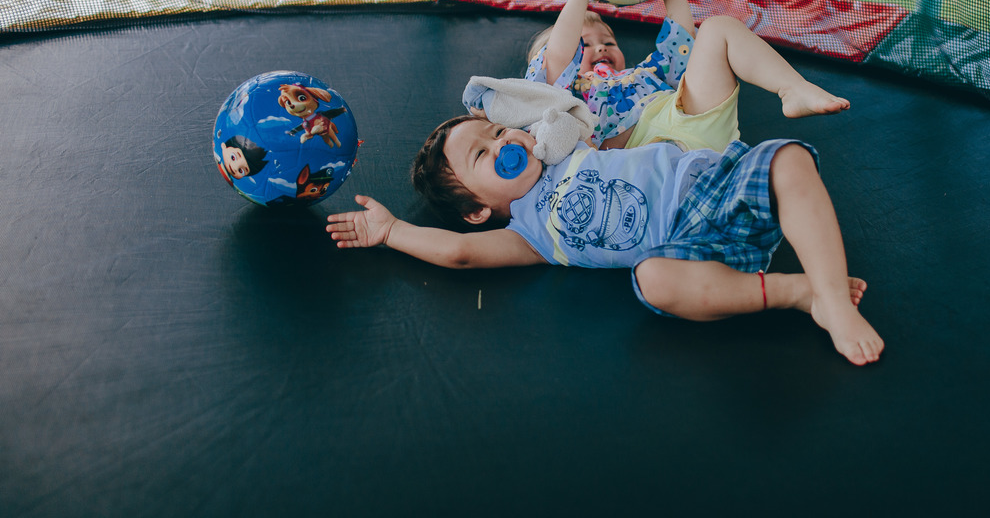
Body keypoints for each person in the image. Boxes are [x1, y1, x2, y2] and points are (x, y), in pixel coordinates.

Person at [325, 114, 884, 366]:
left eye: (496, 132)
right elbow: (459, 253)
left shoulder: (563, 146)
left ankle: (832, 297)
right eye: (483, 155)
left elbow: (546, 101)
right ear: (477, 211)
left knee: (787, 157)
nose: (503, 145)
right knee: (652, 281)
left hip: (717, 187)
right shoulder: (529, 235)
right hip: (692, 253)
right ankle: (797, 292)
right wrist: (392, 231)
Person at [518, 0, 850, 152]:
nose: (601, 46)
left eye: (608, 40)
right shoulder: (563, 97)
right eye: (585, 45)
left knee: (717, 29)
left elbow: (679, 41)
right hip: (642, 159)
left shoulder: (642, 76)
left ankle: (792, 88)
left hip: (688, 122)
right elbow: (558, 58)